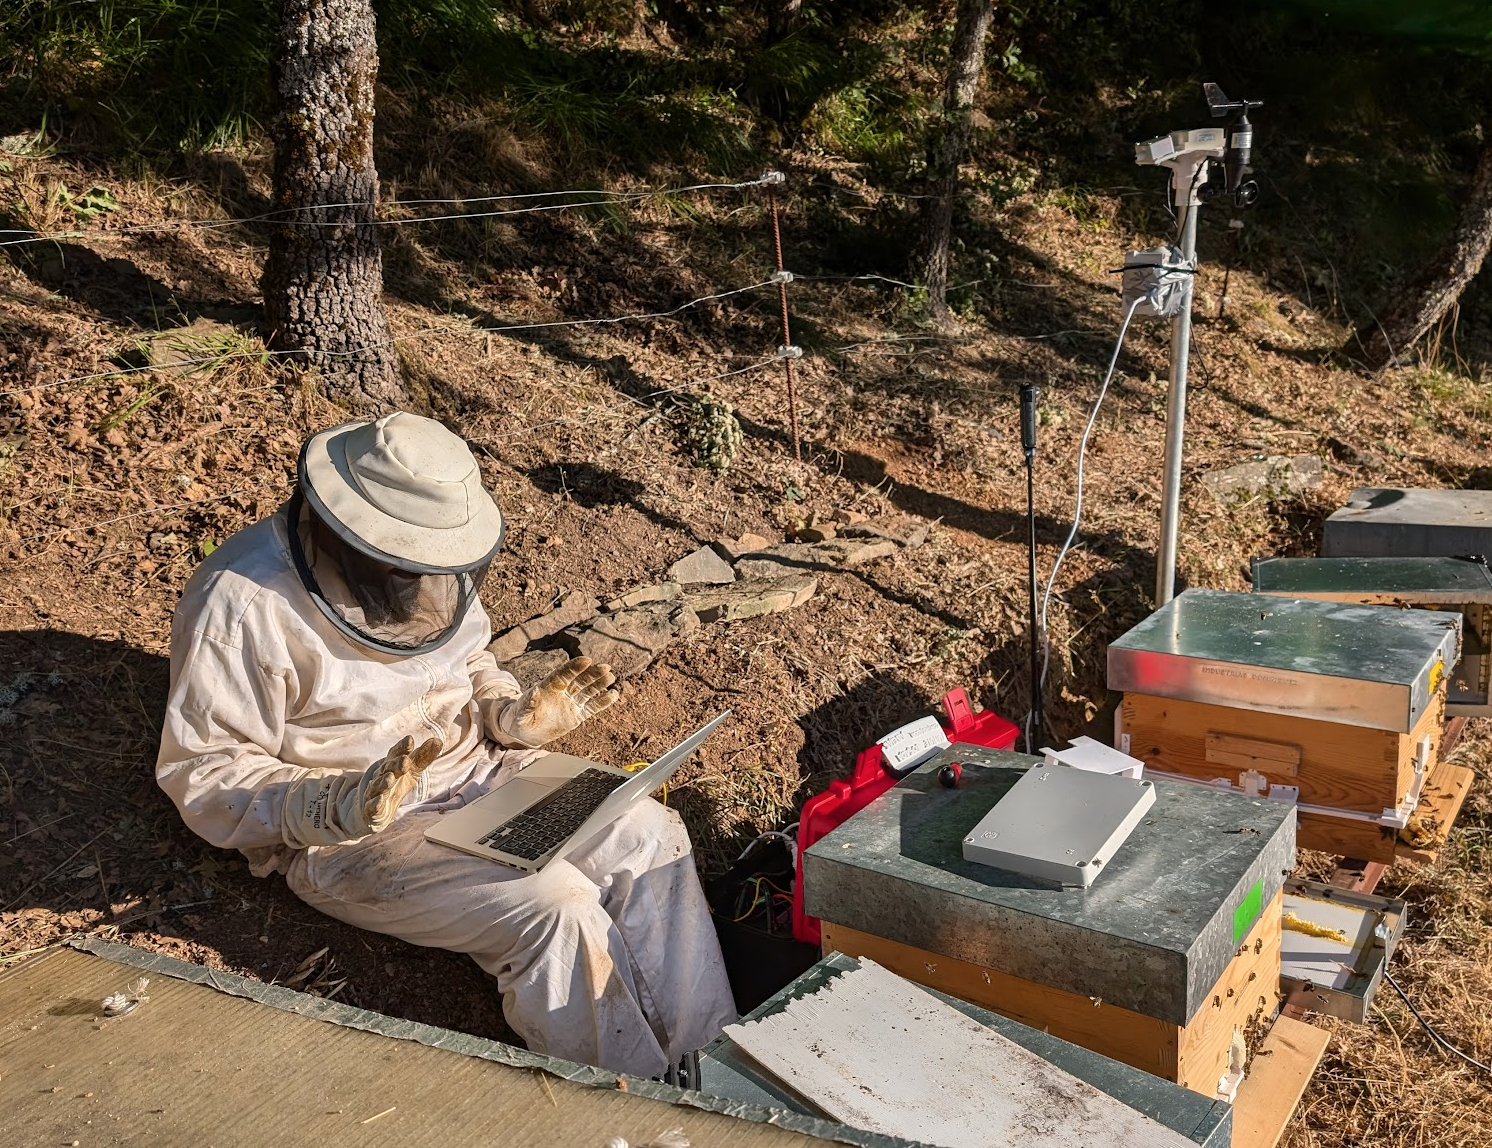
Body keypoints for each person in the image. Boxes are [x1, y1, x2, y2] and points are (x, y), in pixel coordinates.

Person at [156, 411, 737, 1077]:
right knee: (556, 907)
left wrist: (511, 715)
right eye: (402, 568)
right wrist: (333, 806)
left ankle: (720, 1073)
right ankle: (642, 1109)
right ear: (352, 538)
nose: (422, 586)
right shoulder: (240, 606)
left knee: (650, 831)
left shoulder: (433, 558)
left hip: (485, 776)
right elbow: (204, 774)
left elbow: (466, 659)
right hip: (356, 841)